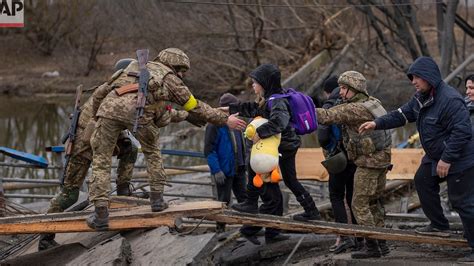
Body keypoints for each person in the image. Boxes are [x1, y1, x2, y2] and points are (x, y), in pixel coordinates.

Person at [86, 48, 246, 231]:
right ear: (173, 66)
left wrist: (96, 117)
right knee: (153, 154)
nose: (182, 75)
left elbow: (100, 92)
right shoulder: (170, 78)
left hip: (107, 111)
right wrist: (225, 119)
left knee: (101, 161)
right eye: (182, 71)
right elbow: (194, 106)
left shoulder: (132, 65)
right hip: (140, 116)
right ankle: (157, 200)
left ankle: (100, 214)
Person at [359, 57, 474, 263]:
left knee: (462, 202)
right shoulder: (420, 98)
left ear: (430, 77)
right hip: (435, 156)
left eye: (417, 77)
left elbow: (462, 132)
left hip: (459, 158)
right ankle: (439, 224)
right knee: (422, 180)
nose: (413, 81)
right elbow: (400, 115)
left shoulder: (450, 100)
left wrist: (446, 160)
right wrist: (376, 124)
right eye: (412, 77)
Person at [229, 63, 321, 244]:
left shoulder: (276, 101)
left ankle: (250, 203)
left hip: (284, 147)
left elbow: (279, 122)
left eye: (255, 83)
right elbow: (254, 109)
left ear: (264, 83)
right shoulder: (270, 98)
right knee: (289, 180)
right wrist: (231, 109)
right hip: (286, 146)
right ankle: (310, 211)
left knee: (254, 166)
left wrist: (259, 133)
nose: (253, 86)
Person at [316, 71, 392, 258]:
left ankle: (372, 246)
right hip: (381, 160)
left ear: (354, 89)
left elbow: (326, 116)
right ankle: (381, 244)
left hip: (368, 163)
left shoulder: (355, 109)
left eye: (343, 88)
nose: (340, 92)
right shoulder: (373, 102)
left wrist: (300, 107)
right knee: (374, 203)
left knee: (358, 204)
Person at [318, 76, 359, 254]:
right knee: (352, 195)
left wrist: (330, 148)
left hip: (339, 157)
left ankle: (343, 236)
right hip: (355, 156)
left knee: (335, 195)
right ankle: (359, 235)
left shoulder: (330, 104)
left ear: (328, 91)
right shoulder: (351, 101)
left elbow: (323, 136)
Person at [204, 93, 248, 233]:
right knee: (223, 201)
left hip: (239, 168)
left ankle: (249, 227)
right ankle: (220, 229)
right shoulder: (214, 125)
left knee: (245, 200)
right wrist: (216, 170)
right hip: (224, 170)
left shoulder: (237, 121)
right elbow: (209, 151)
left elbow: (243, 143)